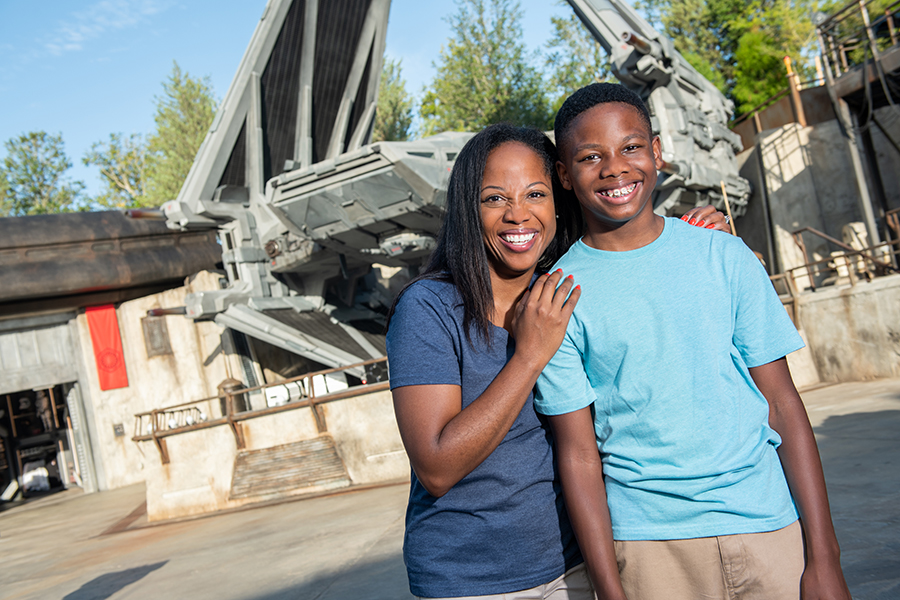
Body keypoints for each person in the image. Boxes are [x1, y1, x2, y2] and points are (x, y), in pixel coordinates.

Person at [533, 83, 851, 600]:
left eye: (631, 147)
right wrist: (610, 591)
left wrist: (825, 557)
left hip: (768, 527)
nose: (615, 168)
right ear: (565, 175)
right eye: (591, 157)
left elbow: (782, 404)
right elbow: (579, 453)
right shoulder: (559, 297)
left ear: (657, 152)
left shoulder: (724, 256)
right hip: (649, 548)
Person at [386, 122, 728, 599]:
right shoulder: (428, 308)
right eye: (494, 198)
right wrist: (529, 356)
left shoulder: (565, 288)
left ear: (556, 201)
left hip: (575, 566)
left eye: (535, 194)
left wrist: (690, 237)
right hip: (472, 580)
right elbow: (437, 468)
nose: (518, 214)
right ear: (467, 208)